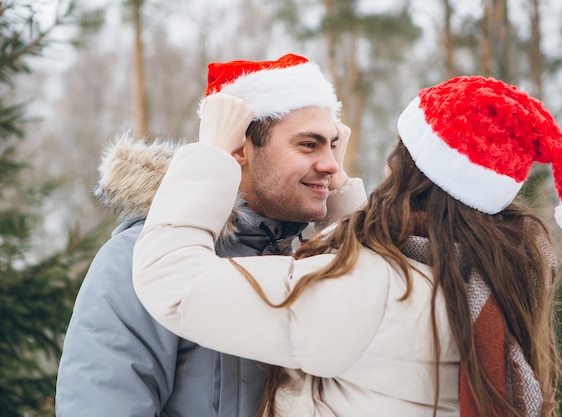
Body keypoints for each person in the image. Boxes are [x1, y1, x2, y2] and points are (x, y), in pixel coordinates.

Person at [132, 75, 562, 417]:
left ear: (408, 177)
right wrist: (343, 194)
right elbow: (377, 285)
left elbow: (172, 280)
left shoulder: (366, 290)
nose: (330, 163)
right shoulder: (479, 277)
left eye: (396, 160)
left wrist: (210, 153)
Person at [55, 54, 367, 417]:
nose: (331, 164)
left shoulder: (304, 259)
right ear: (239, 150)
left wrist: (342, 196)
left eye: (333, 145)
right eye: (309, 144)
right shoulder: (137, 258)